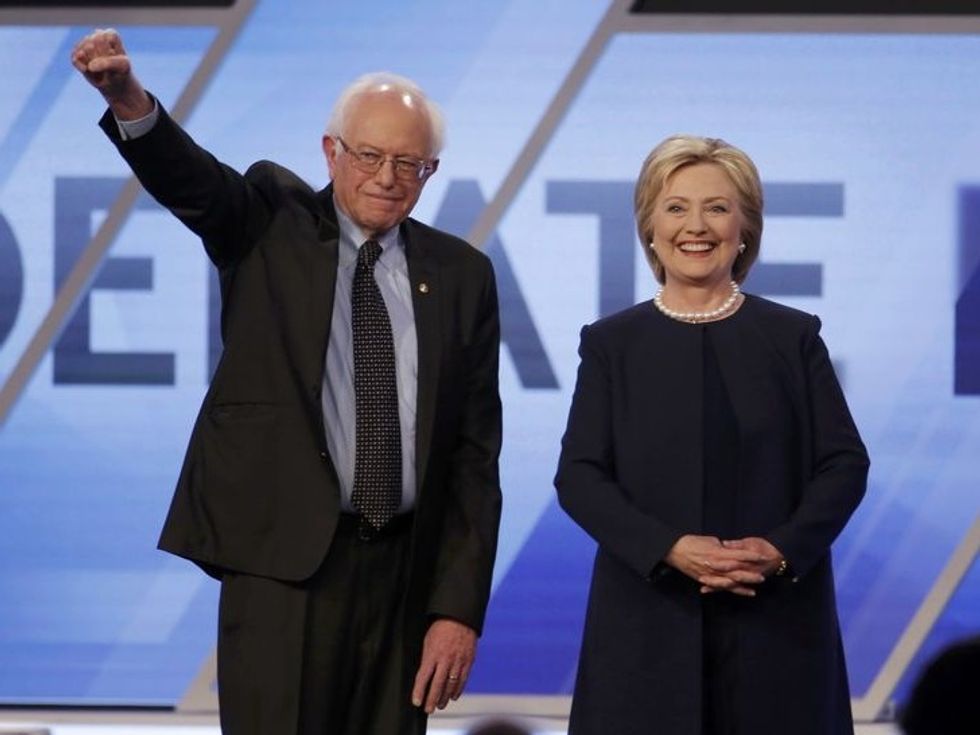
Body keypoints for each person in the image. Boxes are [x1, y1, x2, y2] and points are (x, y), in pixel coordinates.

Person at [71, 28, 502, 735]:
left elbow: (474, 454)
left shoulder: (461, 275)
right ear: (331, 152)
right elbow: (191, 180)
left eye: (409, 163)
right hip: (283, 566)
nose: (387, 177)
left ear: (431, 172)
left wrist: (456, 608)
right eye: (369, 155)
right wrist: (127, 99)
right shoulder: (269, 220)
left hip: (402, 577)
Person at [554, 134, 869, 734]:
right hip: (647, 628)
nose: (695, 226)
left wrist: (781, 550)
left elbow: (843, 463)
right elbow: (579, 476)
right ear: (649, 226)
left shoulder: (793, 337)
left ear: (745, 228)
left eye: (717, 207)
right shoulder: (610, 344)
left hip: (776, 626)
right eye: (675, 207)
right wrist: (668, 547)